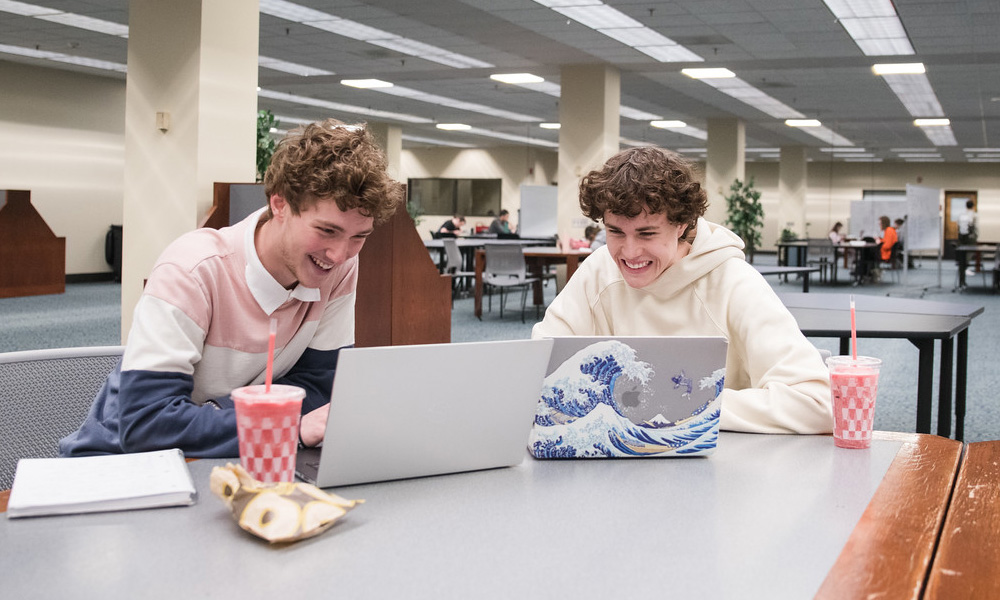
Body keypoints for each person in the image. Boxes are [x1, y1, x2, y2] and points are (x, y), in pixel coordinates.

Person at [60, 119, 404, 457]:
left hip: (225, 457)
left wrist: (228, 416)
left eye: (359, 236)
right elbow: (147, 424)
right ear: (280, 204)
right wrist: (283, 426)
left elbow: (321, 387)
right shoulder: (193, 270)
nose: (339, 253)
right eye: (327, 231)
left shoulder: (337, 267)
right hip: (117, 467)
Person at [532, 147, 831, 434]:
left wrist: (677, 408)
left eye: (647, 233)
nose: (630, 251)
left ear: (682, 225)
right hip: (615, 467)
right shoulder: (599, 271)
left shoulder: (733, 282)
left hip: (721, 468)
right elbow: (536, 372)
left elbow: (817, 402)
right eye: (615, 232)